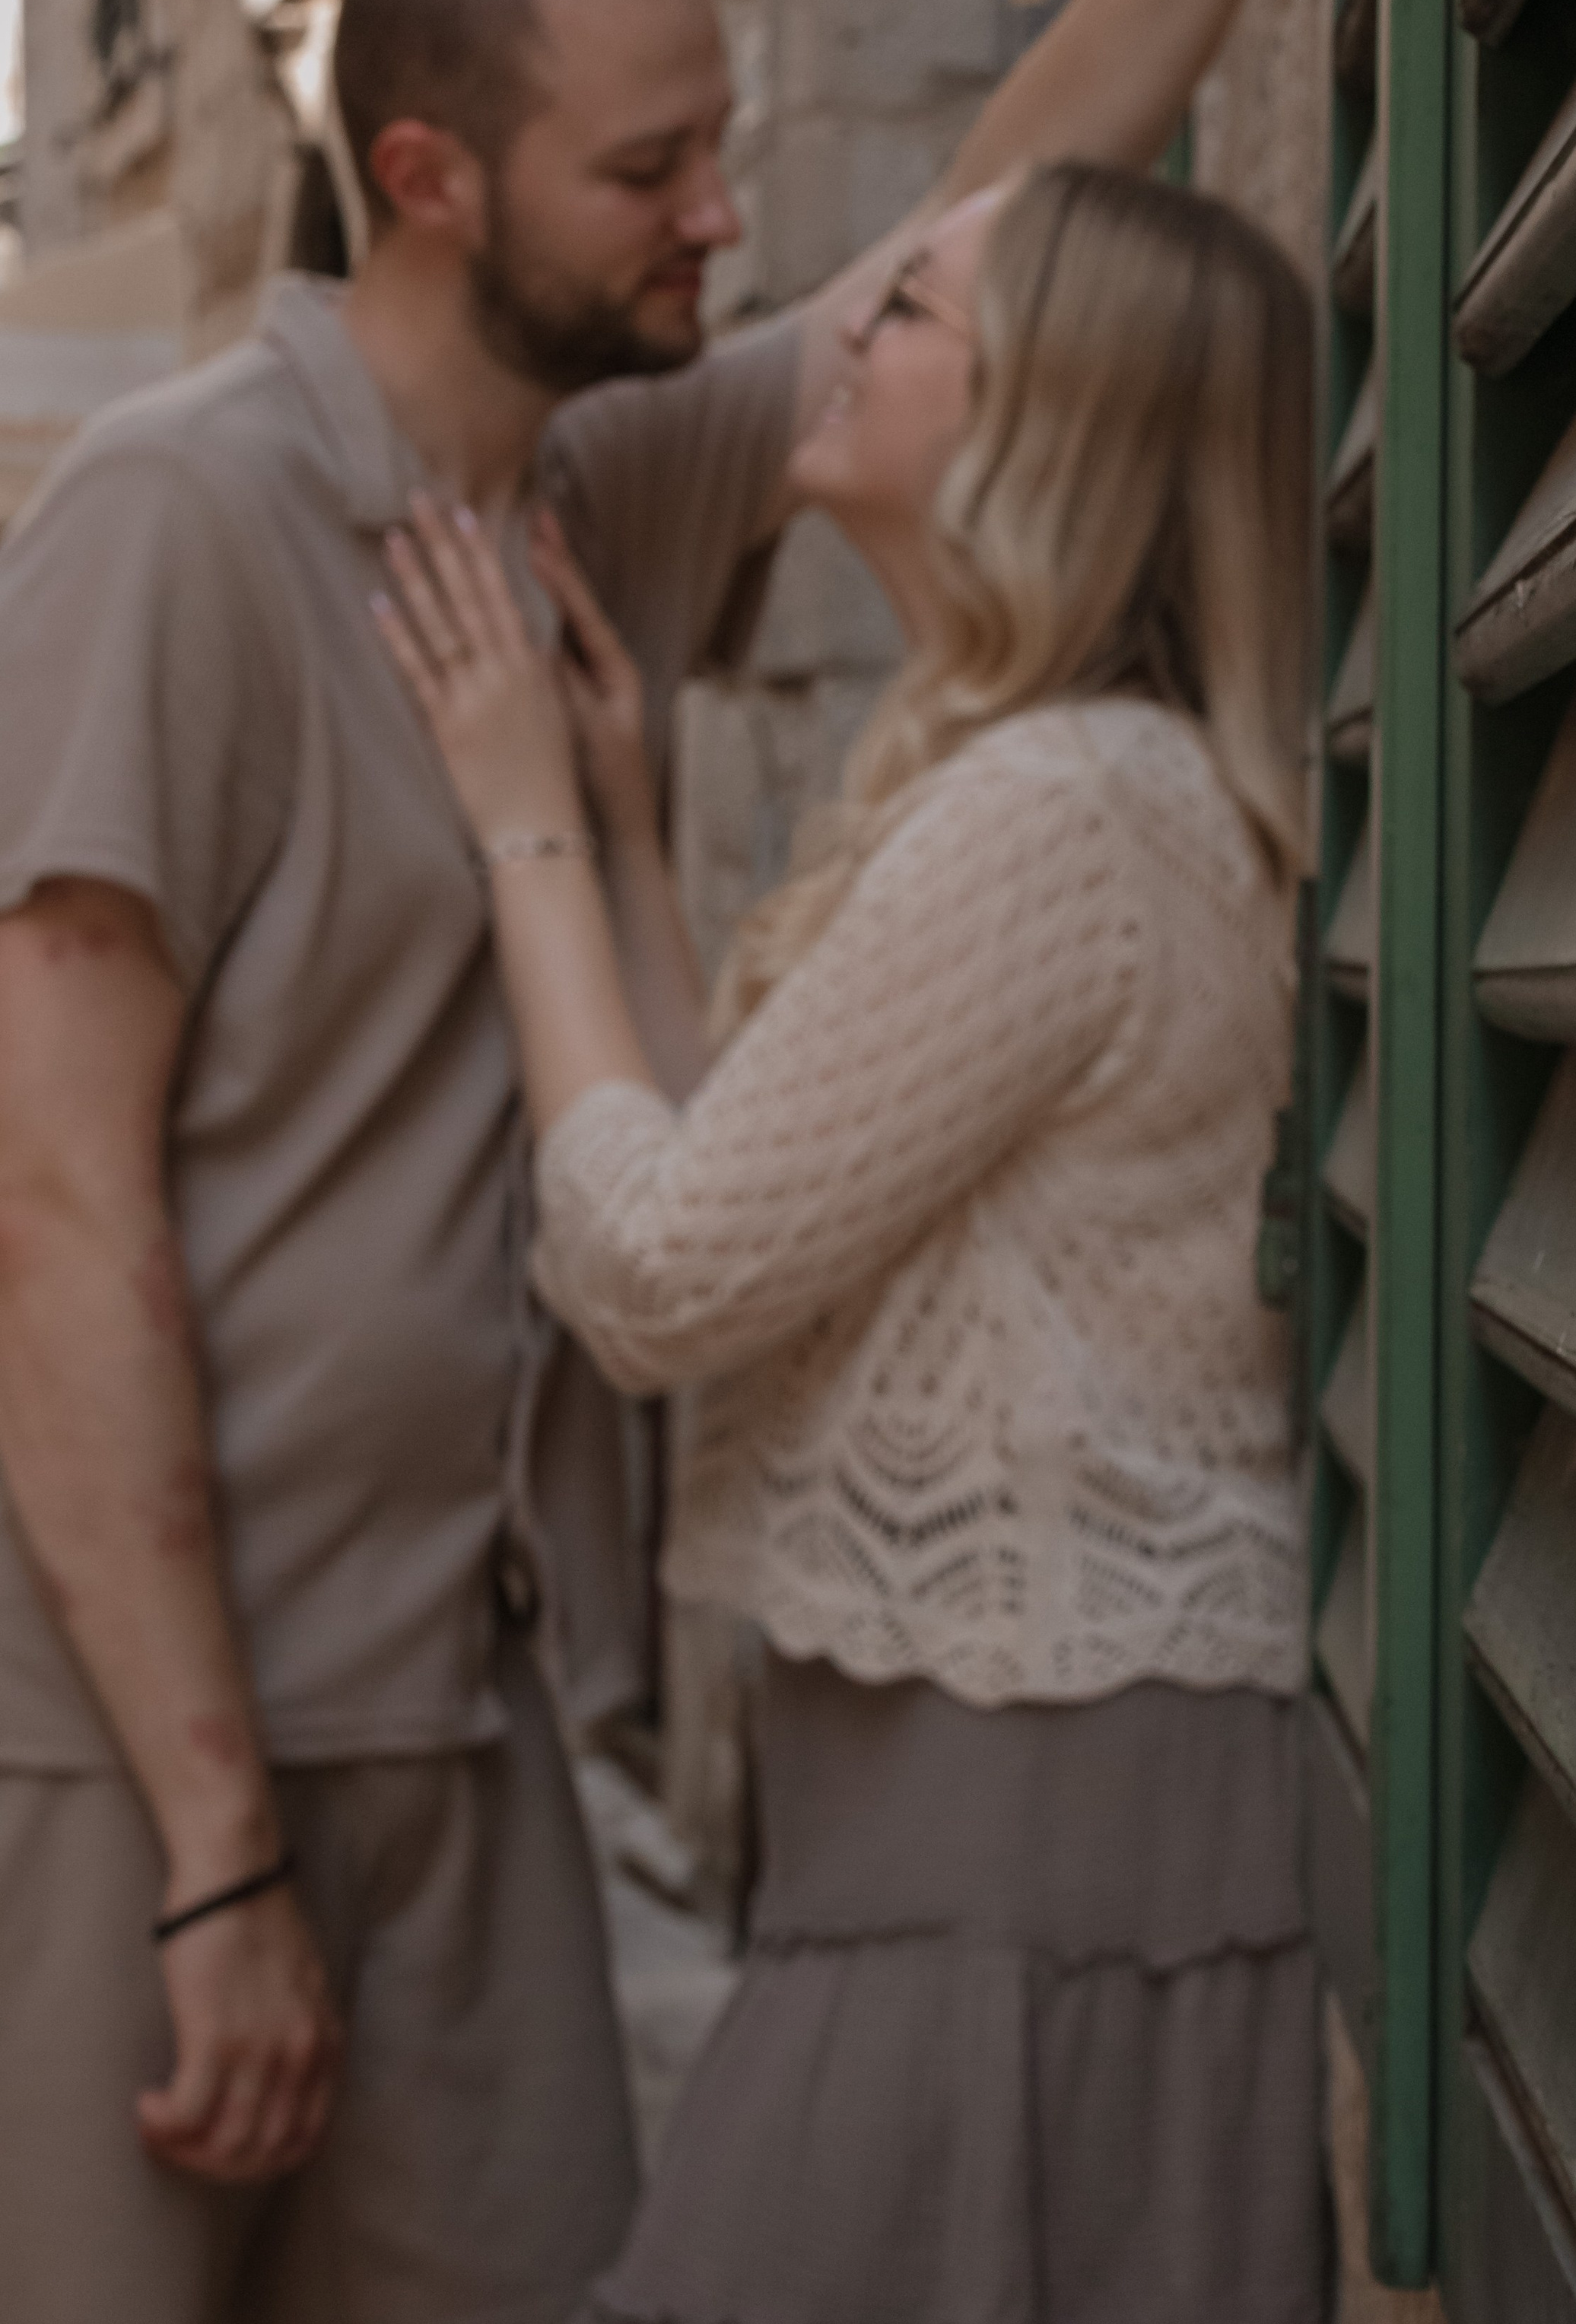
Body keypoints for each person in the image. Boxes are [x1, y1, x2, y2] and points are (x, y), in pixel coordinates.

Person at [0, 0, 1326, 2324]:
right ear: (439, 179)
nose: (735, 222)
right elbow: (47, 1194)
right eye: (657, 168)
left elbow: (1007, 209)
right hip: (145, 1750)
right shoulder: (169, 524)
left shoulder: (600, 482)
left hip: (466, 1738)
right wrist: (213, 1839)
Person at [379, 154, 1317, 2324]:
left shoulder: (1059, 809)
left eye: (905, 306)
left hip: (1022, 1830)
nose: (837, 325)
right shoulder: (1063, 784)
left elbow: (663, 1272)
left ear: (1036, 423)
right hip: (1005, 1807)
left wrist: (515, 815)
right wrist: (622, 826)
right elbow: (780, 1192)